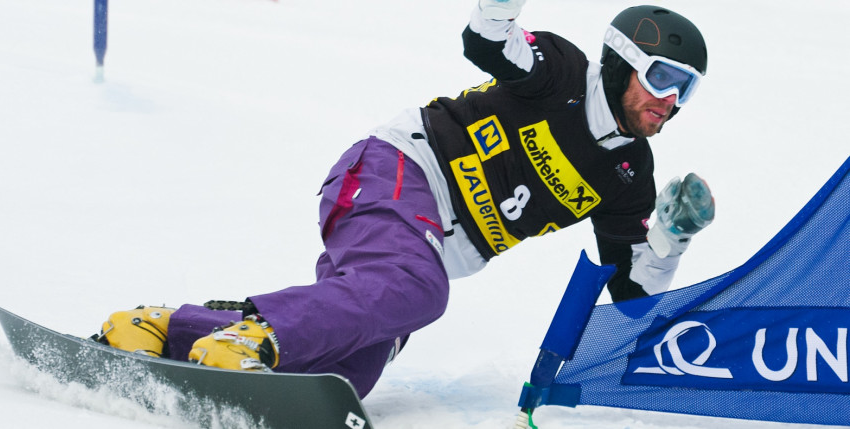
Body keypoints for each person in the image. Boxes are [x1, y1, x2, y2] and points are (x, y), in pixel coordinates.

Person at [96, 0, 715, 399]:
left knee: (349, 374)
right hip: (400, 172)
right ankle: (250, 338)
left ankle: (163, 329)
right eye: (662, 77)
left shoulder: (629, 172)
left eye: (685, 90)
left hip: (425, 251)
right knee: (417, 291)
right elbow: (488, 40)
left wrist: (671, 237)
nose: (671, 100)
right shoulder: (559, 70)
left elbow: (633, 292)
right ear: (620, 63)